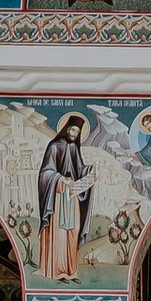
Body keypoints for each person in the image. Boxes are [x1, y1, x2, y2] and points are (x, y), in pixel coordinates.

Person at [36, 117, 93, 277]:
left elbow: (79, 170)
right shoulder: (54, 147)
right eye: (73, 129)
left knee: (73, 232)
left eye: (77, 132)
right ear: (67, 129)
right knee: (60, 234)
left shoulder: (74, 148)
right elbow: (45, 173)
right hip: (58, 198)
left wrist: (90, 171)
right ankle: (56, 270)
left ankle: (71, 271)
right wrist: (60, 179)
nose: (74, 134)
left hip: (72, 197)